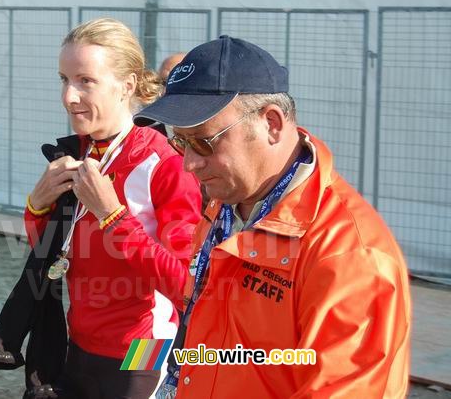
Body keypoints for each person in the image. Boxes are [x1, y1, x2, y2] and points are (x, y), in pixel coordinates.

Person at [130, 35, 411, 398]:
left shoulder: (349, 252)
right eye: (180, 142)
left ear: (272, 123)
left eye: (203, 141)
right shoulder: (226, 204)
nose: (189, 162)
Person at [0, 18, 202, 399]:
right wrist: (37, 207)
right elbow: (55, 255)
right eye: (64, 79)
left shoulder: (165, 163)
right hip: (78, 339)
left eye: (85, 81)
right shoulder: (80, 153)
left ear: (127, 86)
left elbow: (185, 287)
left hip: (144, 350)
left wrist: (113, 217)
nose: (68, 96)